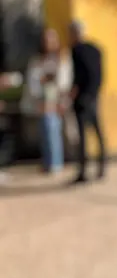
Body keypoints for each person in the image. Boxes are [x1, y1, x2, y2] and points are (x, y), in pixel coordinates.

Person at [69, 21, 106, 183]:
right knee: (98, 133)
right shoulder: (96, 50)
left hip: (82, 99)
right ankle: (102, 166)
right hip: (94, 97)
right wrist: (94, 93)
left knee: (83, 137)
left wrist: (73, 95)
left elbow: (78, 78)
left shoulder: (76, 51)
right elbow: (100, 75)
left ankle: (83, 170)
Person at [37, 29, 67, 174]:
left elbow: (61, 81)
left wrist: (61, 102)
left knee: (53, 132)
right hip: (43, 101)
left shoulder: (60, 58)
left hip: (55, 101)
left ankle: (56, 164)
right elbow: (37, 79)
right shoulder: (41, 59)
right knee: (45, 133)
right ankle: (48, 162)